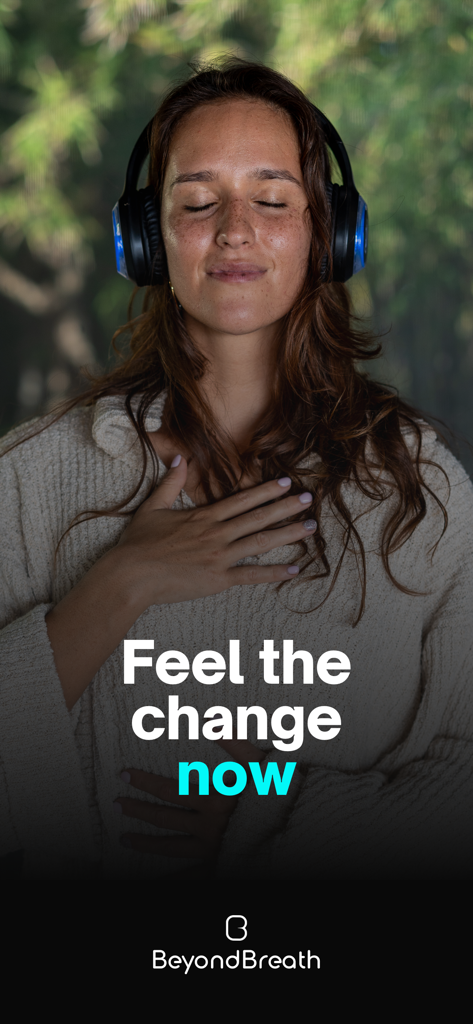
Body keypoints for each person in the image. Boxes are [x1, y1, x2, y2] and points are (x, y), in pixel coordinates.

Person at [1, 59, 472, 880]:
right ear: (145, 240)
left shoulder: (419, 489)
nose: (234, 230)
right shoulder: (28, 481)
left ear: (327, 230)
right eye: (196, 202)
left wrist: (283, 821)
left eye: (272, 198)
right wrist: (120, 584)